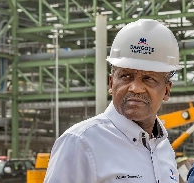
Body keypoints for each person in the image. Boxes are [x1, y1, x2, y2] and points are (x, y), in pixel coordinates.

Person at [44, 19, 181, 183]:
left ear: (166, 90)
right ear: (111, 83)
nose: (135, 88)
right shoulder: (80, 143)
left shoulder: (163, 148)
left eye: (149, 79)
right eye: (126, 76)